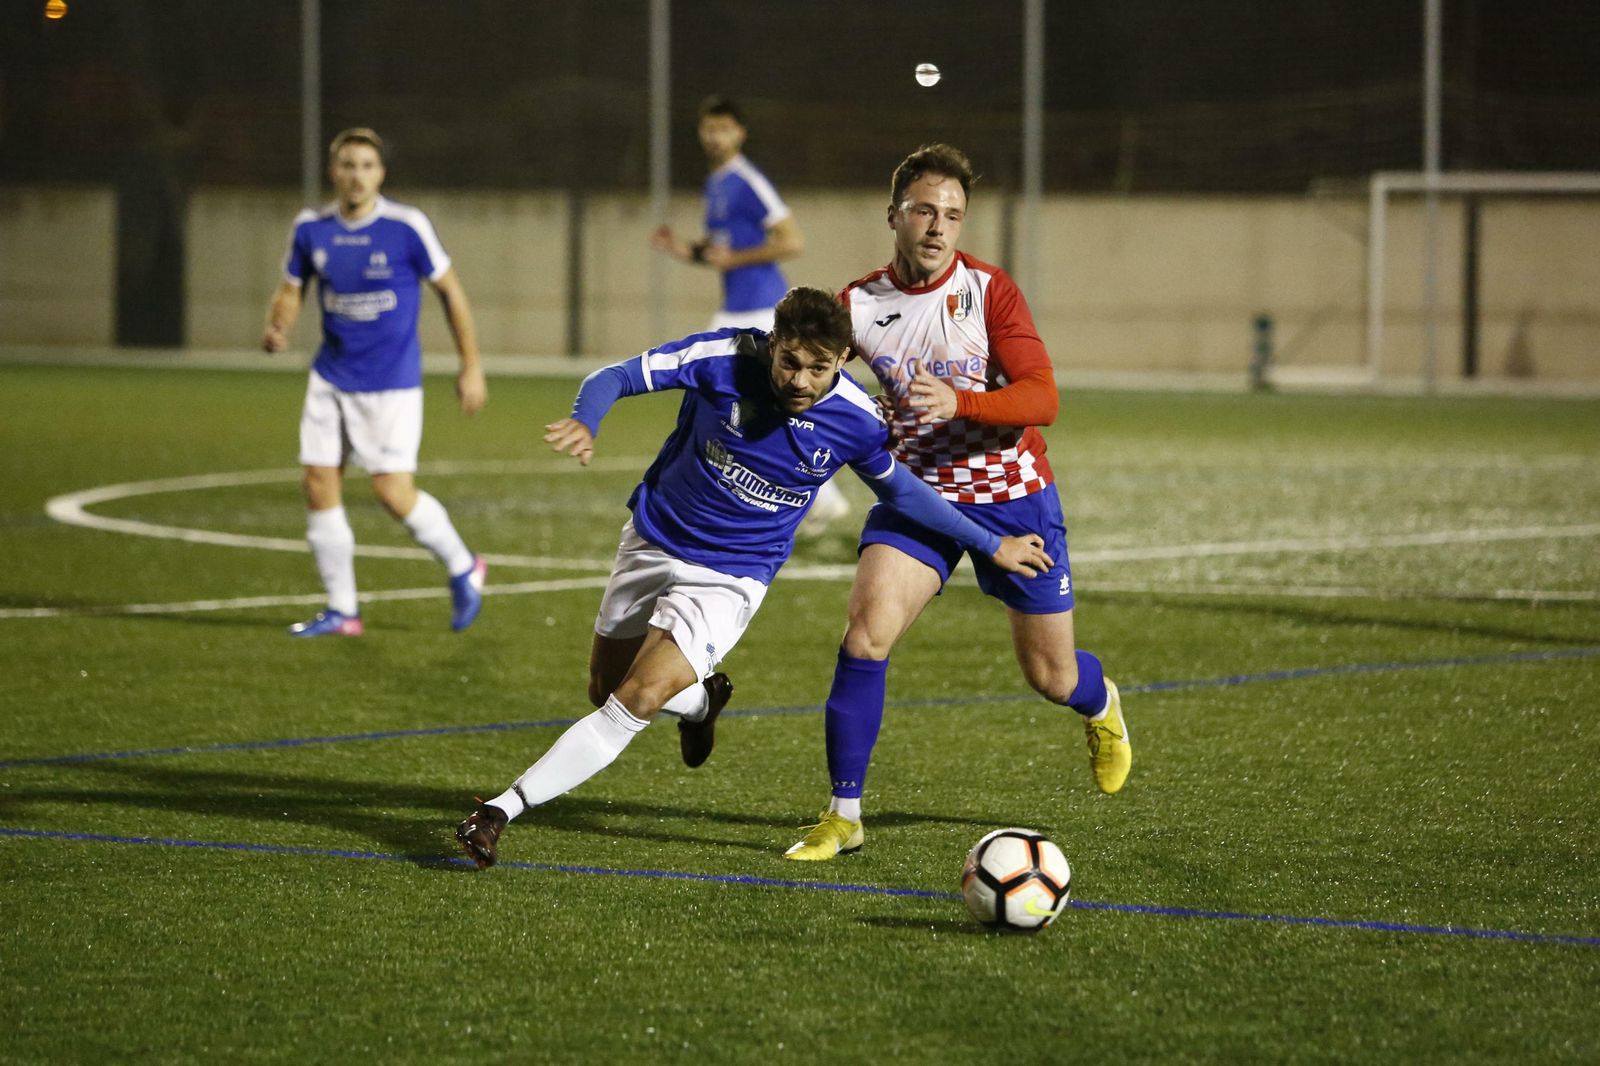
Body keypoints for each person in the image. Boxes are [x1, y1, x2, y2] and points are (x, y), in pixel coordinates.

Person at [453, 286, 1052, 869]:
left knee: (634, 699)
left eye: (818, 368)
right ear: (772, 342)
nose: (799, 381)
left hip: (731, 576)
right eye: (789, 361)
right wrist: (587, 420)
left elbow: (904, 492)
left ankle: (500, 810)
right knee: (604, 686)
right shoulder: (722, 357)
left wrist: (990, 543)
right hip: (653, 538)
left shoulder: (857, 421)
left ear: (843, 360)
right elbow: (615, 376)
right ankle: (701, 703)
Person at [783, 144, 1132, 862]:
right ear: (894, 216)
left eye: (952, 214)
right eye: (924, 211)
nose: (938, 226)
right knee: (865, 636)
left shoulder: (988, 291)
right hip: (919, 498)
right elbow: (815, 376)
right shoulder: (858, 305)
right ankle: (843, 816)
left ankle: (1100, 703)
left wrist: (962, 400)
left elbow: (1042, 397)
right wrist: (860, 411)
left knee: (1052, 677)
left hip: (1012, 499)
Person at [261, 127, 488, 637]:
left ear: (380, 173)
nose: (356, 176)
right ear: (333, 172)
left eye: (366, 166)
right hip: (330, 377)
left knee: (391, 491)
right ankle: (343, 610)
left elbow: (451, 293)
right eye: (347, 165)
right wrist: (279, 326)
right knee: (318, 482)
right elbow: (291, 289)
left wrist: (470, 364)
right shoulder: (311, 228)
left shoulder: (406, 227)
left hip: (391, 383)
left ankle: (463, 565)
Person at [649, 93, 850, 535]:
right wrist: (680, 249)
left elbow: (792, 240)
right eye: (709, 128)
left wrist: (736, 259)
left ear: (740, 133)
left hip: (761, 306)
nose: (715, 136)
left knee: (730, 391)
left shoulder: (747, 180)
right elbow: (718, 250)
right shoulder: (716, 183)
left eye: (724, 128)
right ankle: (812, 498)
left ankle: (799, 495)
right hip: (734, 308)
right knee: (717, 392)